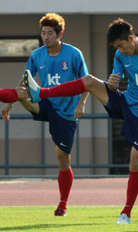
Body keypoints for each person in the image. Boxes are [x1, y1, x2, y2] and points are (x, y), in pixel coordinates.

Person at [4, 18, 138, 224]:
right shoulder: (121, 55)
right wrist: (113, 82)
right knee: (89, 81)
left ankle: (126, 212)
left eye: (122, 46)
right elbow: (115, 82)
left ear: (131, 38)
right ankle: (42, 92)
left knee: (136, 161)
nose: (121, 51)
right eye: (117, 48)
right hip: (126, 101)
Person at [0, 13, 89, 217]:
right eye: (43, 33)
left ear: (60, 33)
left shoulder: (74, 54)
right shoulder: (37, 54)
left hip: (66, 110)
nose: (46, 37)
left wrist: (82, 103)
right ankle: (13, 99)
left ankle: (63, 204)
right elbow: (24, 81)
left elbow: (87, 81)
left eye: (50, 33)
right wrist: (11, 102)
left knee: (62, 157)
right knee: (23, 93)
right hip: (46, 102)